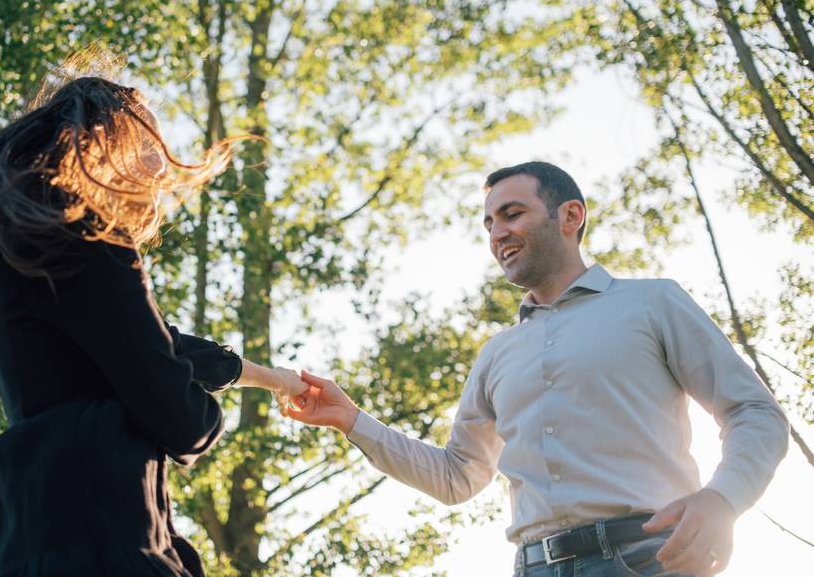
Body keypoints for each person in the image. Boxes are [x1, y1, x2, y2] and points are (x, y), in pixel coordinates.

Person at [0, 75, 308, 576]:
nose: (162, 165)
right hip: (100, 539)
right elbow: (181, 418)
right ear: (110, 139)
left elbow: (160, 347)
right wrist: (206, 415)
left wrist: (273, 379)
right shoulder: (96, 244)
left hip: (15, 540)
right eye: (150, 142)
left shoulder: (29, 253)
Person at [284, 161, 790, 576]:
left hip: (648, 559)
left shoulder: (653, 302)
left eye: (511, 214)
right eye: (488, 223)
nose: (497, 233)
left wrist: (722, 500)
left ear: (570, 216)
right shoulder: (496, 354)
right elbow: (456, 477)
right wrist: (352, 420)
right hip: (533, 568)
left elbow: (754, 412)